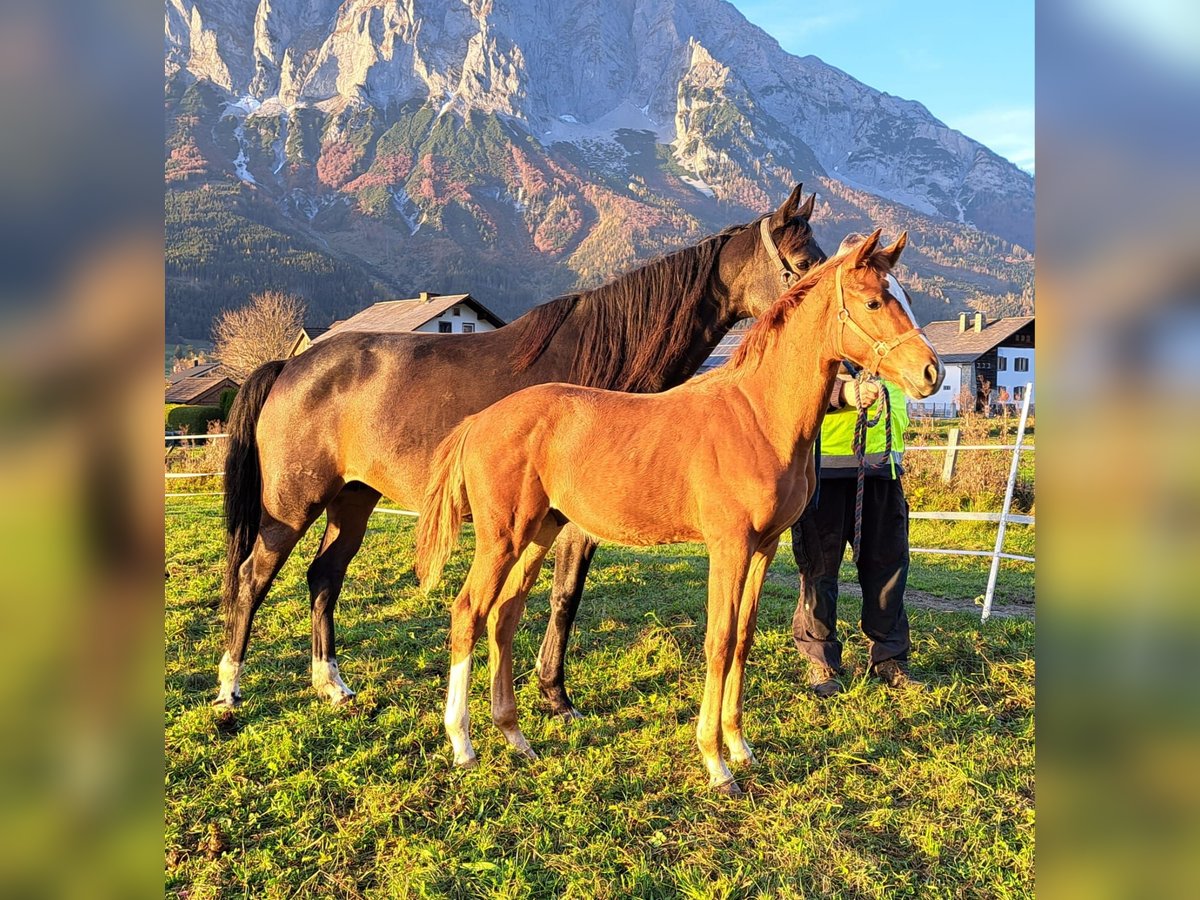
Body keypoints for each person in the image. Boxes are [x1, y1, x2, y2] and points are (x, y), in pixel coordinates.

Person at [790, 366, 921, 697]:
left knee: (888, 568)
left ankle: (890, 656)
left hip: (883, 470)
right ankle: (821, 659)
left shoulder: (892, 333)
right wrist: (842, 393)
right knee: (819, 571)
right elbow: (794, 382)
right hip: (824, 471)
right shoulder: (828, 328)